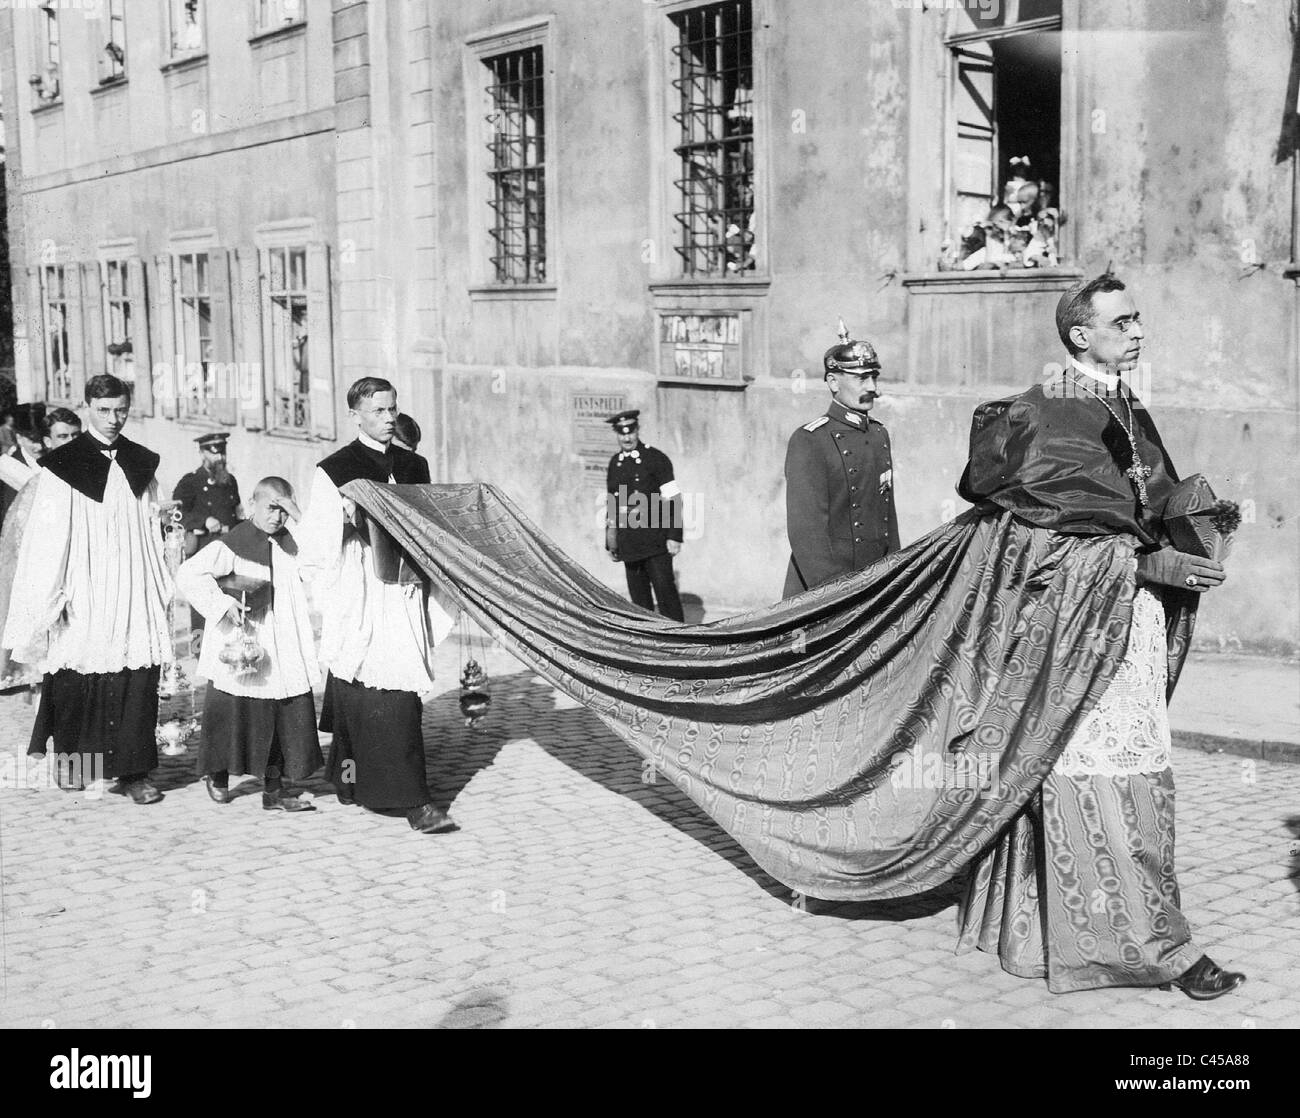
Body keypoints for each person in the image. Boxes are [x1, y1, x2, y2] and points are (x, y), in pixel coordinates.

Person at [955, 273, 1246, 999]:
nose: (1139, 332)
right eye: (1123, 322)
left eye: (1140, 318)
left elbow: (1137, 507)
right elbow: (1036, 547)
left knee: (1104, 772)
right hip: (1084, 628)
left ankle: (1045, 933)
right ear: (1080, 335)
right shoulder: (1050, 414)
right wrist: (1151, 559)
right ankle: (1153, 948)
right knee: (1107, 778)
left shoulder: (1121, 401)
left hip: (1129, 617)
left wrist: (1198, 523)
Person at [296, 376, 457, 834]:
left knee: (397, 686)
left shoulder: (414, 464)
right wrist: (349, 532)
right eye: (379, 411)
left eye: (392, 409)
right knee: (358, 676)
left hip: (402, 588)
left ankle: (381, 787)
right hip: (359, 584)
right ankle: (389, 791)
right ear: (356, 416)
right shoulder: (334, 469)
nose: (388, 419)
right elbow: (320, 542)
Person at [3, 375, 173, 803]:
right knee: (81, 674)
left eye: (121, 410)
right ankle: (77, 762)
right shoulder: (65, 466)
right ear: (87, 408)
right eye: (104, 411)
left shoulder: (141, 462)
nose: (114, 419)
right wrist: (51, 596)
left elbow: (153, 529)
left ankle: (133, 774)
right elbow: (47, 540)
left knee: (136, 676)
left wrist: (159, 586)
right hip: (85, 585)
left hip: (133, 585)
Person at [177, 476, 323, 812]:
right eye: (271, 508)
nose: (277, 517)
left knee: (279, 715)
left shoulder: (292, 543)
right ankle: (217, 774)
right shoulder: (233, 543)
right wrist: (221, 604)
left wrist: (297, 515)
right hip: (243, 640)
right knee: (231, 712)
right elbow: (188, 574)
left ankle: (275, 790)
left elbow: (319, 560)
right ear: (252, 503)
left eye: (283, 510)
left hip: (283, 639)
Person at [782, 323, 900, 599]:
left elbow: (887, 519)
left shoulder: (879, 434)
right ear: (834, 382)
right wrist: (836, 596)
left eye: (873, 377)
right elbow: (807, 535)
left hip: (875, 582)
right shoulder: (810, 440)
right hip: (825, 591)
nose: (873, 388)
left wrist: (895, 576)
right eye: (862, 379)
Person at [0, 406, 82, 690]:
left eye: (75, 435)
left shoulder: (80, 471)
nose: (70, 442)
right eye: (62, 436)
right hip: (30, 564)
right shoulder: (15, 471)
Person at [604, 409, 685, 622]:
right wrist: (611, 541)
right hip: (629, 542)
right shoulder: (615, 463)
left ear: (638, 430)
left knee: (665, 594)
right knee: (639, 602)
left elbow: (674, 499)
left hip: (656, 541)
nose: (627, 437)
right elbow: (612, 503)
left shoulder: (655, 459)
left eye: (631, 431)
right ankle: (650, 645)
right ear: (617, 434)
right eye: (622, 433)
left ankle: (680, 641)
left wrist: (675, 536)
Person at [173, 430, 242, 646]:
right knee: (202, 606)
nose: (220, 458)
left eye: (222, 452)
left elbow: (237, 514)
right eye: (214, 453)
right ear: (202, 453)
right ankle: (198, 650)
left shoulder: (230, 481)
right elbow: (176, 514)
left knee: (228, 602)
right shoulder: (191, 482)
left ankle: (224, 651)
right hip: (204, 552)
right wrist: (203, 521)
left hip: (229, 552)